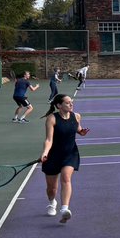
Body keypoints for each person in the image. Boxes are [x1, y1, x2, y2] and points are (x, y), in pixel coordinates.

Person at [39, 93, 88, 224]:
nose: (71, 104)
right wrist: (45, 153)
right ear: (59, 105)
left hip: (70, 153)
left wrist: (81, 132)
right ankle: (51, 202)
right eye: (67, 103)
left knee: (66, 178)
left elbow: (78, 128)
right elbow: (49, 139)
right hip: (53, 156)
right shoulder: (52, 118)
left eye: (71, 102)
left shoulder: (76, 116)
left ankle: (64, 209)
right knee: (52, 189)